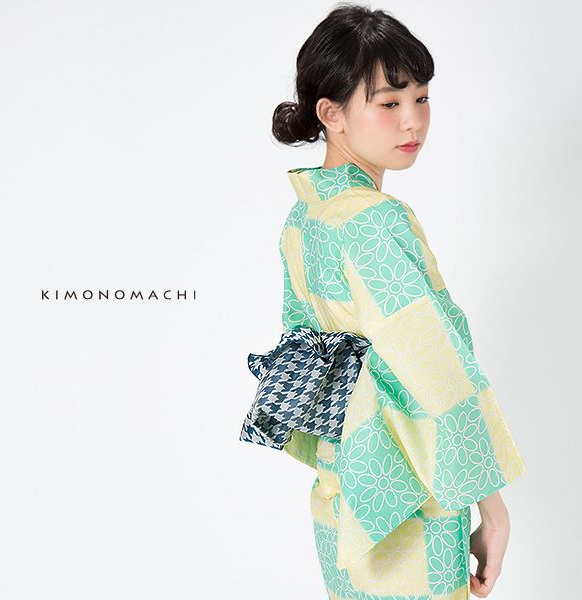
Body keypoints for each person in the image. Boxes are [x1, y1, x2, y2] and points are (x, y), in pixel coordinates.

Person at [270, 4, 526, 599]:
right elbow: (436, 370)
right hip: (410, 498)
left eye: (422, 98)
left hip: (345, 496)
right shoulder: (374, 221)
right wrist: (492, 510)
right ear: (331, 114)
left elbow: (301, 364)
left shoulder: (305, 219)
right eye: (389, 103)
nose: (413, 121)